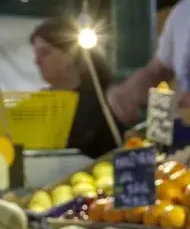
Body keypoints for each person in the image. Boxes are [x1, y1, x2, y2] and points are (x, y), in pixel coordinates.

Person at [29, 17, 122, 158]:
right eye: (35, 54)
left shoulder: (103, 99)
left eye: (45, 52)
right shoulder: (39, 101)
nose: (37, 61)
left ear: (71, 54)